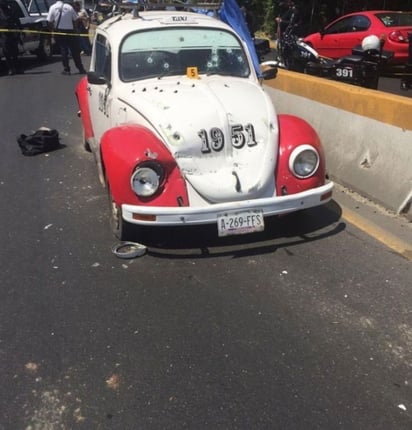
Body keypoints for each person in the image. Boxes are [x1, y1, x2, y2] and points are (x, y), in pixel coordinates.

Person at [47, 0, 87, 75]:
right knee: (75, 51)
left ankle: (67, 69)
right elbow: (76, 19)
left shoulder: (52, 7)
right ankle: (80, 68)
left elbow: (49, 21)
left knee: (63, 50)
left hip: (59, 31)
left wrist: (53, 30)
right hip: (70, 31)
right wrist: (75, 28)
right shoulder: (69, 7)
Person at [0, 0, 22, 75]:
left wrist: (20, 30)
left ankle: (17, 68)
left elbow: (17, 21)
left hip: (13, 34)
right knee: (6, 53)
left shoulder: (11, 11)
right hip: (3, 35)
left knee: (15, 52)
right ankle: (11, 69)